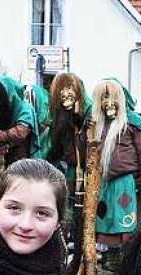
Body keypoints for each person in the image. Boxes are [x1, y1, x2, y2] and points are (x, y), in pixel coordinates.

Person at [89, 78, 141, 275]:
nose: (108, 102)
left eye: (112, 96)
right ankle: (111, 262)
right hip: (104, 181)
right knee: (106, 220)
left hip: (125, 181)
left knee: (125, 221)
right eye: (104, 97)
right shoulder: (96, 124)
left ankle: (128, 263)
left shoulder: (132, 122)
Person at [43, 73, 91, 250]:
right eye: (62, 90)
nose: (66, 94)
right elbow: (55, 144)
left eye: (70, 89)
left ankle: (81, 248)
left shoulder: (87, 111)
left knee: (81, 208)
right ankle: (62, 245)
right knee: (66, 205)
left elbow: (90, 142)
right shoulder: (58, 115)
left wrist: (80, 122)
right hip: (68, 167)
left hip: (84, 169)